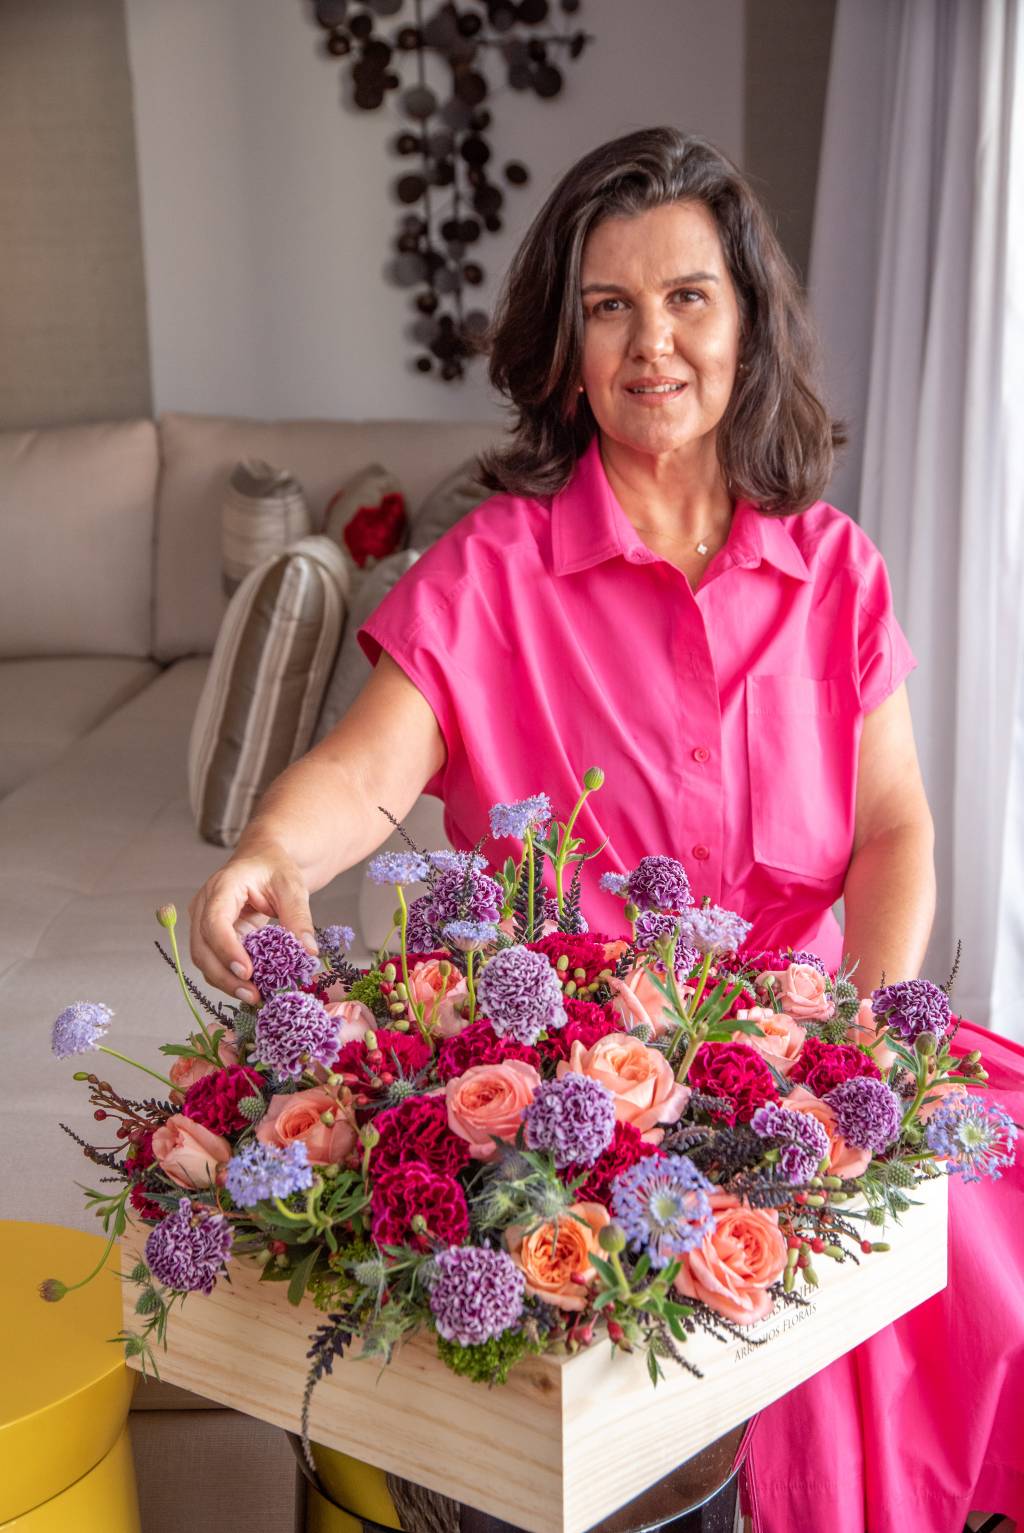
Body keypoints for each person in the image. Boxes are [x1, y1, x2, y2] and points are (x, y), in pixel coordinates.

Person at [189, 128, 1023, 1533]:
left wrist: (864, 1039)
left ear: (747, 322)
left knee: (990, 1244)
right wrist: (275, 853)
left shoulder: (834, 568)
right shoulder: (490, 575)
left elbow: (893, 831)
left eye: (689, 296)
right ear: (566, 344)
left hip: (816, 1050)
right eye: (610, 305)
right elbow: (365, 769)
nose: (654, 342)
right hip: (598, 1104)